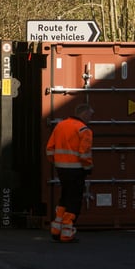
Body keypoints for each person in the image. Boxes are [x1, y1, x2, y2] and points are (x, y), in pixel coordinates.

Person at [46, 103, 94, 243]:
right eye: (90, 115)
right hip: (77, 170)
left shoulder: (60, 126)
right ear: (84, 114)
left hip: (61, 169)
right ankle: (66, 233)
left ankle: (56, 229)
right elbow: (84, 153)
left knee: (64, 197)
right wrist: (88, 167)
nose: (91, 118)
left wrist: (56, 162)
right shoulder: (84, 130)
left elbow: (49, 148)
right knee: (74, 201)